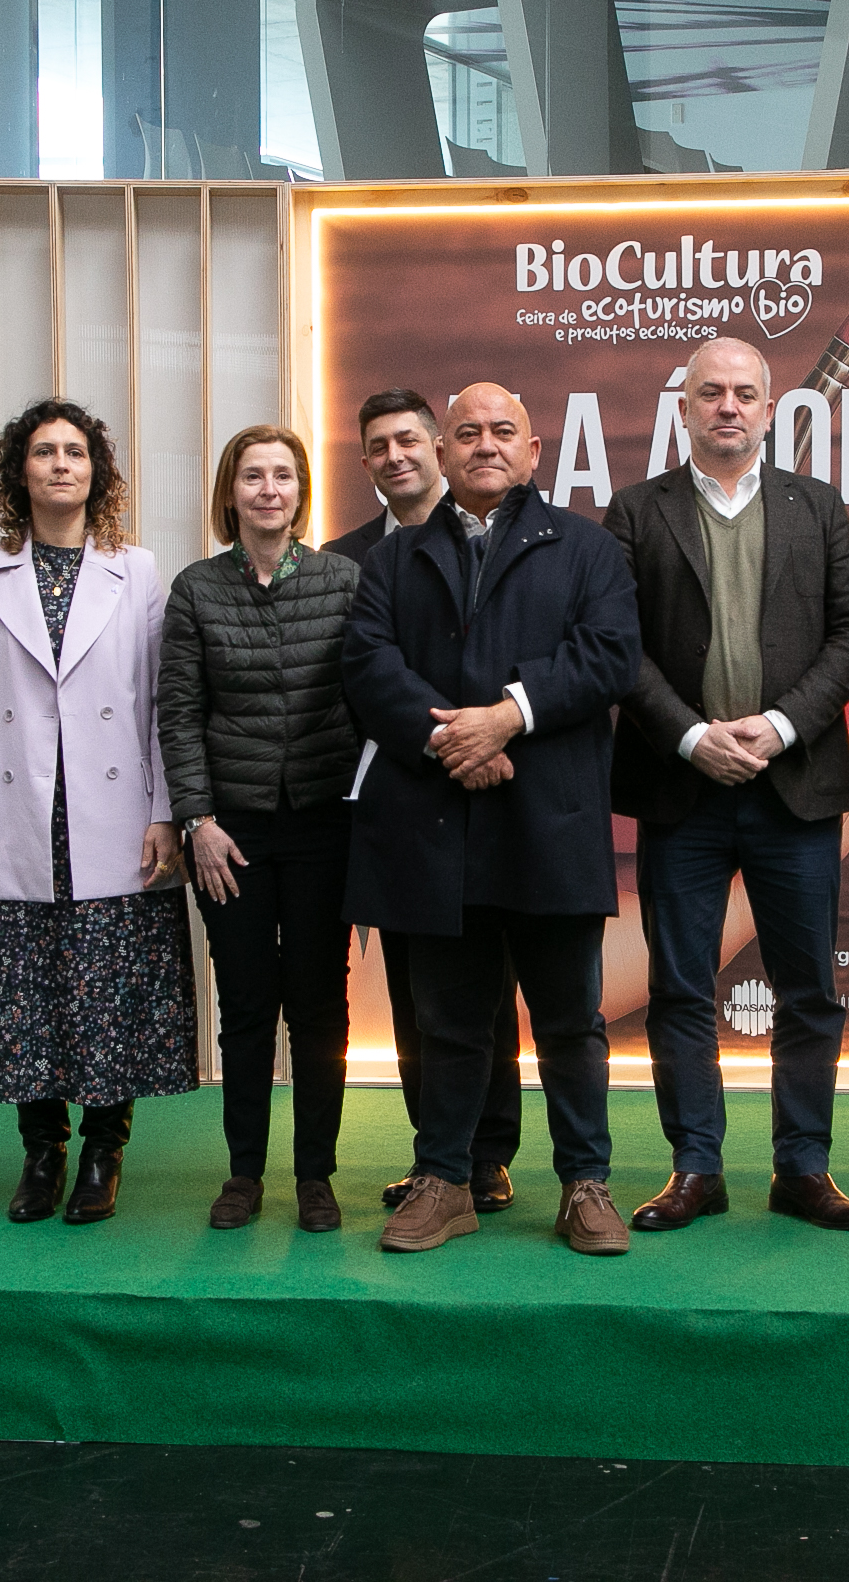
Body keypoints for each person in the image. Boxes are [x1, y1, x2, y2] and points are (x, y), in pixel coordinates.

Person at [344, 381, 642, 1255]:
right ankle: (444, 1180)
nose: (484, 444)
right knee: (448, 1022)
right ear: (442, 452)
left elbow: (609, 655)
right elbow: (368, 666)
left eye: (502, 430)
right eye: (467, 431)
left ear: (532, 449)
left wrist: (507, 716)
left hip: (551, 821)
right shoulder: (393, 559)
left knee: (569, 1023)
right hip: (438, 824)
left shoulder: (586, 548)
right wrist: (455, 739)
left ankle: (584, 1183)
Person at [603, 338, 849, 1235]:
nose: (728, 406)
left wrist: (782, 724)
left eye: (744, 393)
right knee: (680, 989)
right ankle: (696, 1167)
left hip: (791, 784)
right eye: (710, 392)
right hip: (680, 787)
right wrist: (690, 736)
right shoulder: (636, 510)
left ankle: (802, 1167)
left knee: (808, 991)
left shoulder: (816, 506)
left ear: (769, 409)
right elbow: (618, 644)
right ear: (683, 407)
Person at [0, 400, 197, 1226]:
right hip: (16, 809)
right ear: (18, 471)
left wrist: (164, 809)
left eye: (75, 452)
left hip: (112, 808)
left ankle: (103, 1150)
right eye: (44, 451)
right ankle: (41, 1151)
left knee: (109, 989)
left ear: (96, 471)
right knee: (26, 987)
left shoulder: (137, 569)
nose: (60, 464)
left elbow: (159, 701)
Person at [158, 425, 362, 1234]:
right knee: (244, 1004)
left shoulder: (342, 579)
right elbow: (178, 714)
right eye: (253, 476)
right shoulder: (196, 588)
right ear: (230, 491)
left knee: (318, 1005)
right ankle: (244, 1173)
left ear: (300, 489)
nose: (268, 489)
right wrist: (196, 820)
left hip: (323, 823)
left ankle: (316, 1175)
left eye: (283, 474)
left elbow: (366, 698)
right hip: (228, 832)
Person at [327, 387, 523, 1216]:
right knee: (416, 996)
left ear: (436, 448)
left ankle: (489, 1153)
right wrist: (446, 742)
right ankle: (434, 1156)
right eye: (378, 445)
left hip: (496, 789)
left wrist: (482, 741)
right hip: (400, 799)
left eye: (408, 439)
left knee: (486, 988)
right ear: (365, 462)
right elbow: (362, 676)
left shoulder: (497, 537)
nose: (395, 456)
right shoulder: (345, 558)